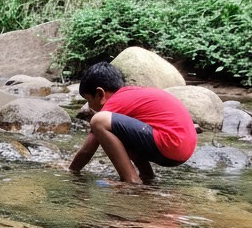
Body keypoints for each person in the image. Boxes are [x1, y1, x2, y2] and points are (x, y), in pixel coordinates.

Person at [69, 61, 197, 183]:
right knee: (120, 133)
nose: (89, 106)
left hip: (171, 145)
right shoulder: (132, 94)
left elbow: (87, 151)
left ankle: (131, 181)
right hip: (183, 150)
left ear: (100, 93)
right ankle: (147, 175)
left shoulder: (115, 102)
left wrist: (71, 170)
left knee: (98, 121)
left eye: (88, 99)